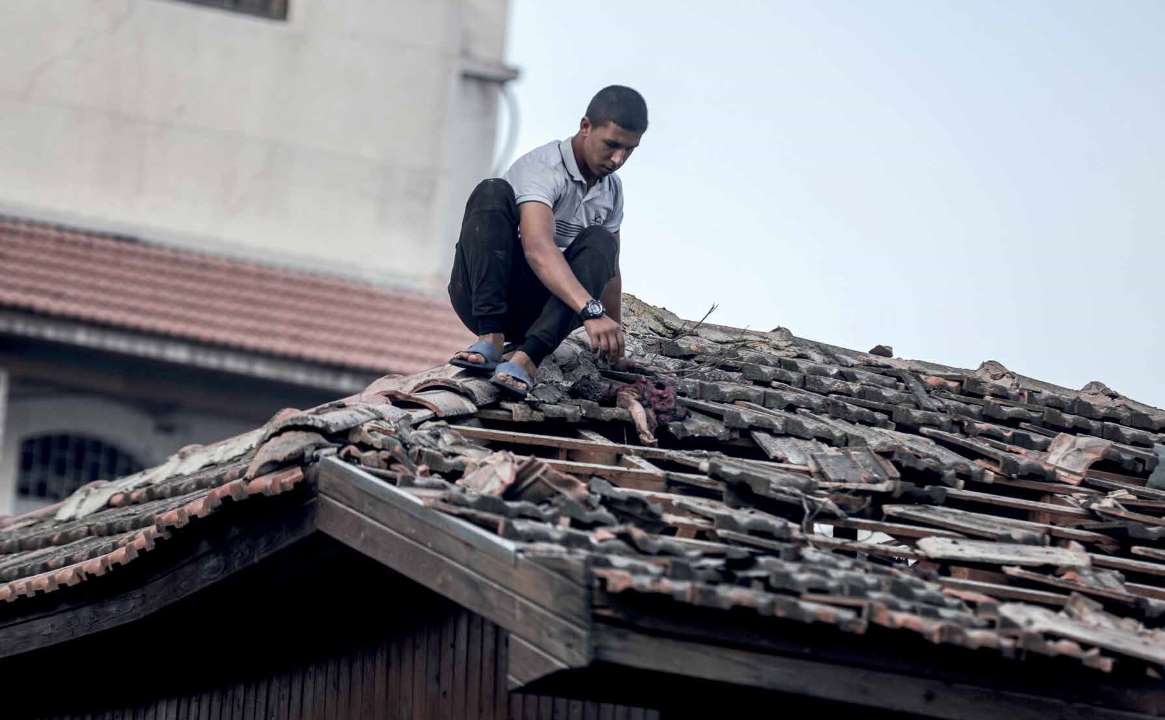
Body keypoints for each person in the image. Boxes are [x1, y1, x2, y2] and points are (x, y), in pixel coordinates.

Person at [446, 85, 647, 397]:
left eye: (629, 150)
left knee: (602, 243)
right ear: (585, 127)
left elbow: (610, 272)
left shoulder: (612, 190)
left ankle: (527, 360)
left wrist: (615, 345)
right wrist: (591, 312)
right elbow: (538, 248)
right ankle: (490, 339)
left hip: (541, 316)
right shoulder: (544, 167)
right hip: (483, 296)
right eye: (612, 145)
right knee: (491, 190)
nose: (618, 159)